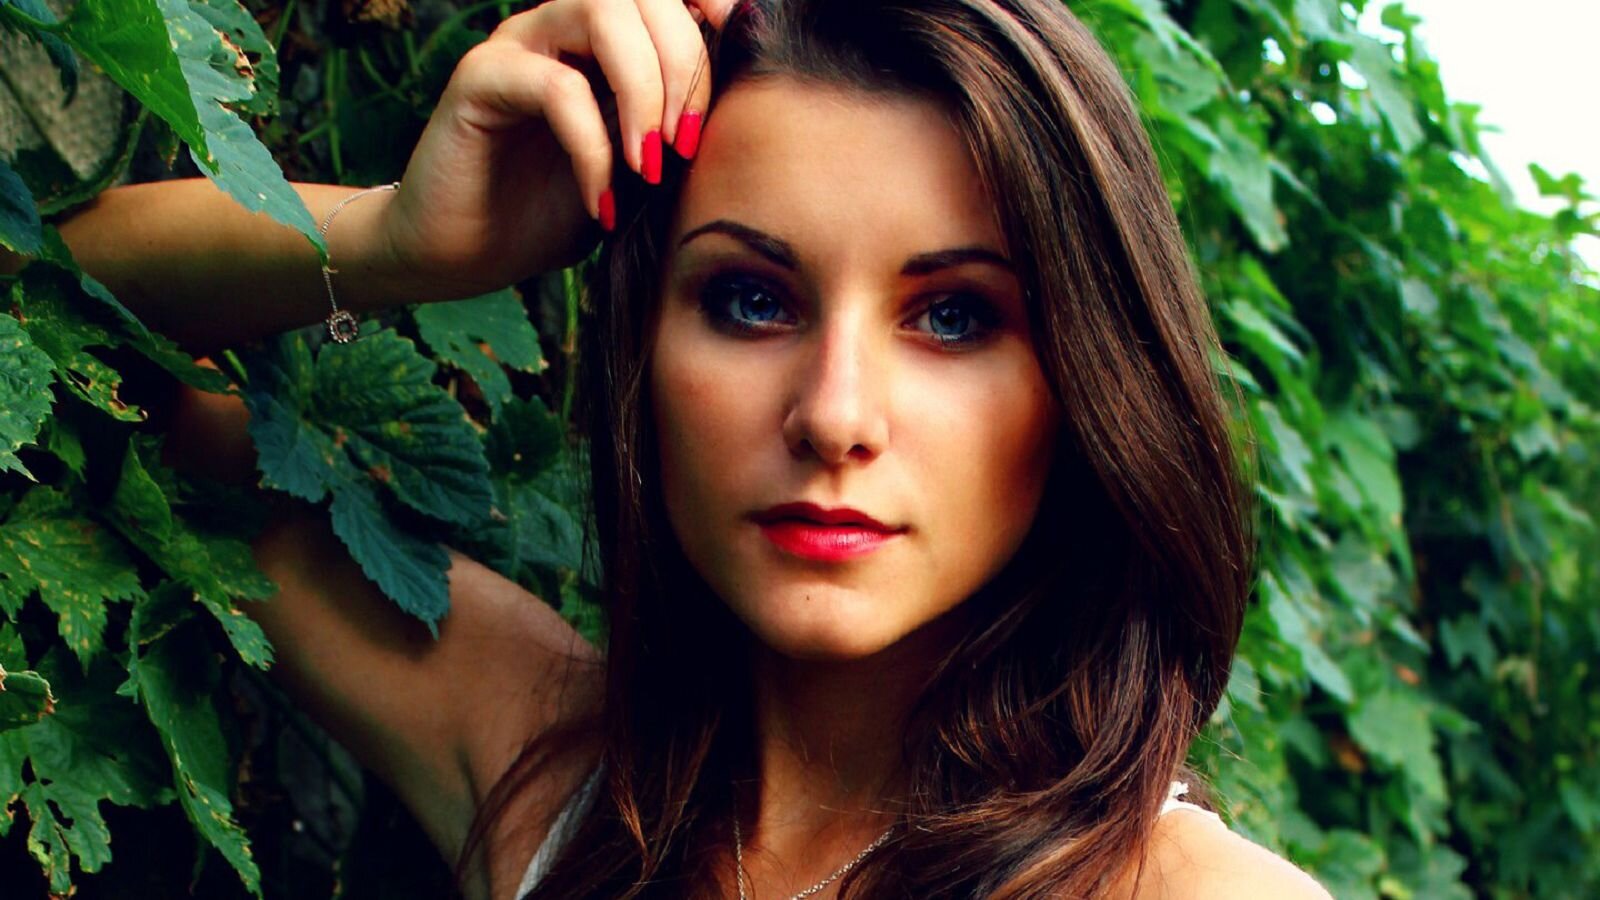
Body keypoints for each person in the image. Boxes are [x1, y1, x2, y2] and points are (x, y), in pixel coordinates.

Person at [16, 0, 1335, 896]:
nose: (834, 414)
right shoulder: (543, 769)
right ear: (645, 345)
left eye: (953, 316)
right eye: (751, 299)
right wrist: (399, 243)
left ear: (1088, 377)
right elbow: (50, 339)